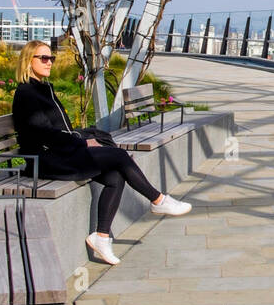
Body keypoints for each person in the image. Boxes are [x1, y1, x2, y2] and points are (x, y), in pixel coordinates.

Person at [11, 40, 190, 266]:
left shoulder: (43, 89)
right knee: (118, 156)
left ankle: (101, 237)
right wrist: (83, 143)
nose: (49, 63)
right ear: (29, 60)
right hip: (46, 160)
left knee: (115, 176)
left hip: (61, 153)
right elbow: (45, 134)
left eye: (51, 58)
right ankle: (158, 199)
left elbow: (60, 130)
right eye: (43, 58)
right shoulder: (27, 94)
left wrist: (80, 140)